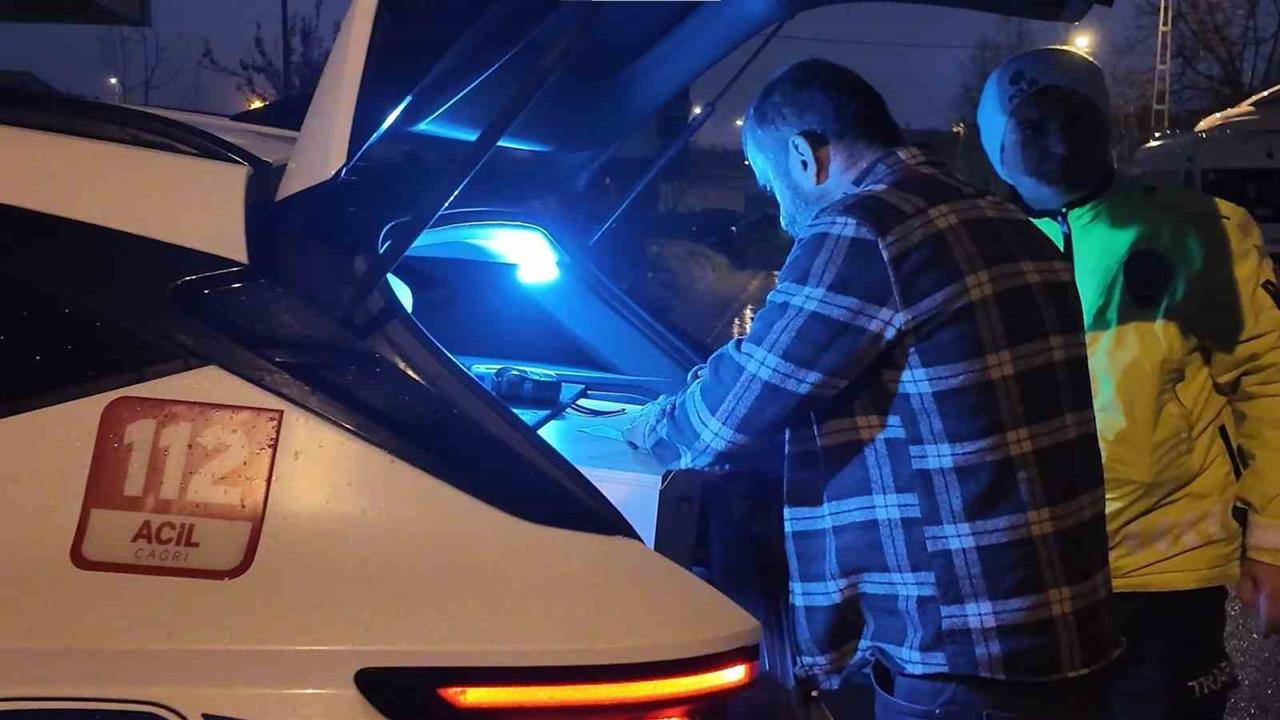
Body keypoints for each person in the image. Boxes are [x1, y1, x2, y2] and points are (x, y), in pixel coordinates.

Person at [623, 58, 1119, 719]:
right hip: (1060, 620)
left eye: (773, 185)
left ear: (806, 157)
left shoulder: (866, 228)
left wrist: (642, 425)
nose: (782, 213)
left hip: (962, 652)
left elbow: (725, 414)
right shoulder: (1008, 223)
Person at [977, 47, 1280, 719]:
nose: (1059, 140)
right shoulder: (973, 248)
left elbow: (1270, 382)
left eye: (1076, 119)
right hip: (1026, 577)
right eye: (1034, 123)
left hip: (1167, 574)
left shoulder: (1200, 231)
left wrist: (1271, 542)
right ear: (997, 143)